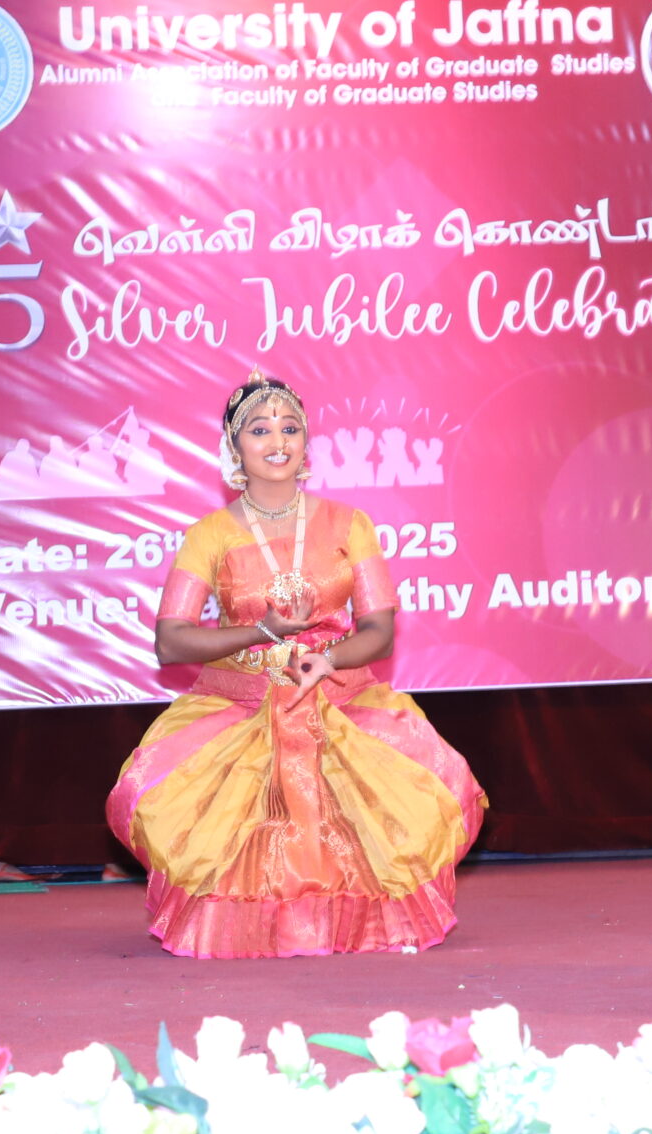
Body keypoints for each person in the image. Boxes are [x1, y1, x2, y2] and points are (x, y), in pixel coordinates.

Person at [107, 373, 485, 957]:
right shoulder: (210, 534)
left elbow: (380, 632)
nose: (277, 441)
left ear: (307, 442)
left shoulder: (350, 524)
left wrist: (325, 660)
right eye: (259, 430)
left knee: (433, 788)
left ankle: (345, 929)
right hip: (242, 704)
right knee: (152, 797)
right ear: (235, 446)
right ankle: (254, 930)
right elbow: (170, 642)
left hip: (337, 695)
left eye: (290, 428)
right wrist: (262, 633)